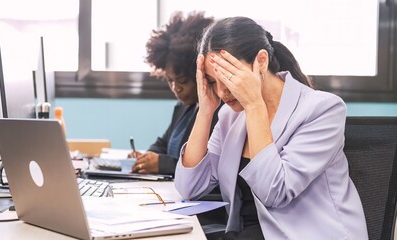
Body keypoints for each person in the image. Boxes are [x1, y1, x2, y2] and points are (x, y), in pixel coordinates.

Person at [174, 16, 368, 240]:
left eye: (228, 78)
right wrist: (205, 111)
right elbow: (189, 187)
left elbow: (274, 192)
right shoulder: (230, 116)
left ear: (262, 61)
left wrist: (255, 105)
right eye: (211, 81)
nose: (221, 93)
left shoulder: (322, 109)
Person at [129, 11, 217, 175]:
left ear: (200, 74)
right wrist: (146, 157)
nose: (176, 88)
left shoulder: (216, 112)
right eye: (170, 81)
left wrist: (162, 164)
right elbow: (163, 143)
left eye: (182, 81)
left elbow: (207, 168)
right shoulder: (184, 108)